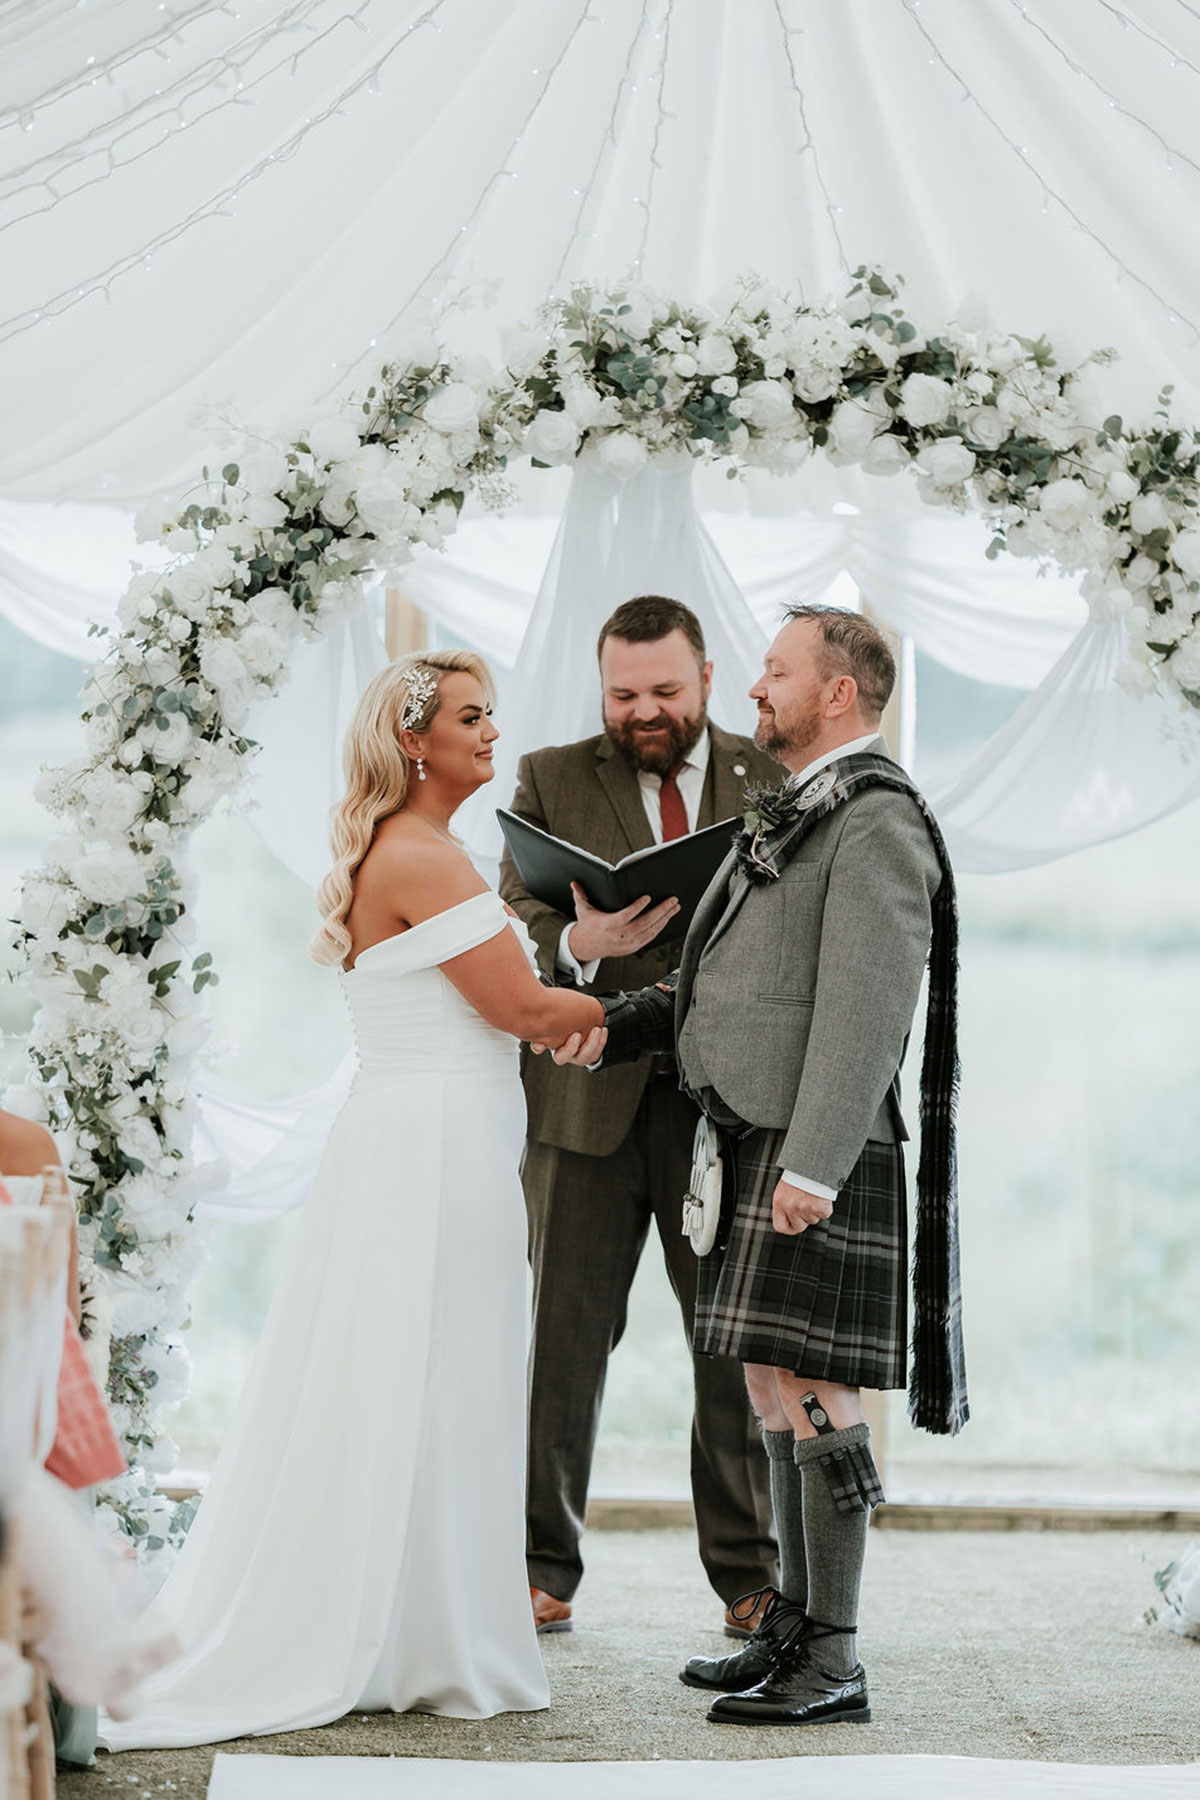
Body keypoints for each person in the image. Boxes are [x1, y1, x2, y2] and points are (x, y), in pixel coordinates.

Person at [103, 651, 604, 1749]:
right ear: (413, 742)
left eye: (492, 715)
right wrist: (628, 1005)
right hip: (435, 1145)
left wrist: (569, 998)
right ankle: (423, 1633)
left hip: (428, 1133)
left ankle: (415, 1618)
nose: (491, 733)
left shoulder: (420, 851)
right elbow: (520, 1008)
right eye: (472, 718)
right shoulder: (423, 857)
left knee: (428, 1372)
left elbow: (496, 1007)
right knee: (439, 1367)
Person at [554, 606, 966, 1727]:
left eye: (776, 673)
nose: (756, 692)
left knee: (822, 1394)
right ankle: (792, 1620)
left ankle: (833, 1658)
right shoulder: (803, 808)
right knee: (772, 1386)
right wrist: (617, 1024)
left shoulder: (876, 819)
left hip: (809, 1144)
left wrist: (820, 1165)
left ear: (838, 693)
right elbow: (727, 989)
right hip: (749, 1135)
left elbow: (868, 1010)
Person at [500, 595, 782, 1637]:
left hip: (725, 1104)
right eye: (623, 694)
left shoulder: (774, 776)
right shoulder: (549, 776)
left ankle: (750, 1577)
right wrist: (582, 944)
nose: (644, 712)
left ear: (707, 676)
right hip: (583, 1101)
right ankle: (540, 1568)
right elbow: (516, 912)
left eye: (665, 691)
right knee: (562, 1344)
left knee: (730, 1343)